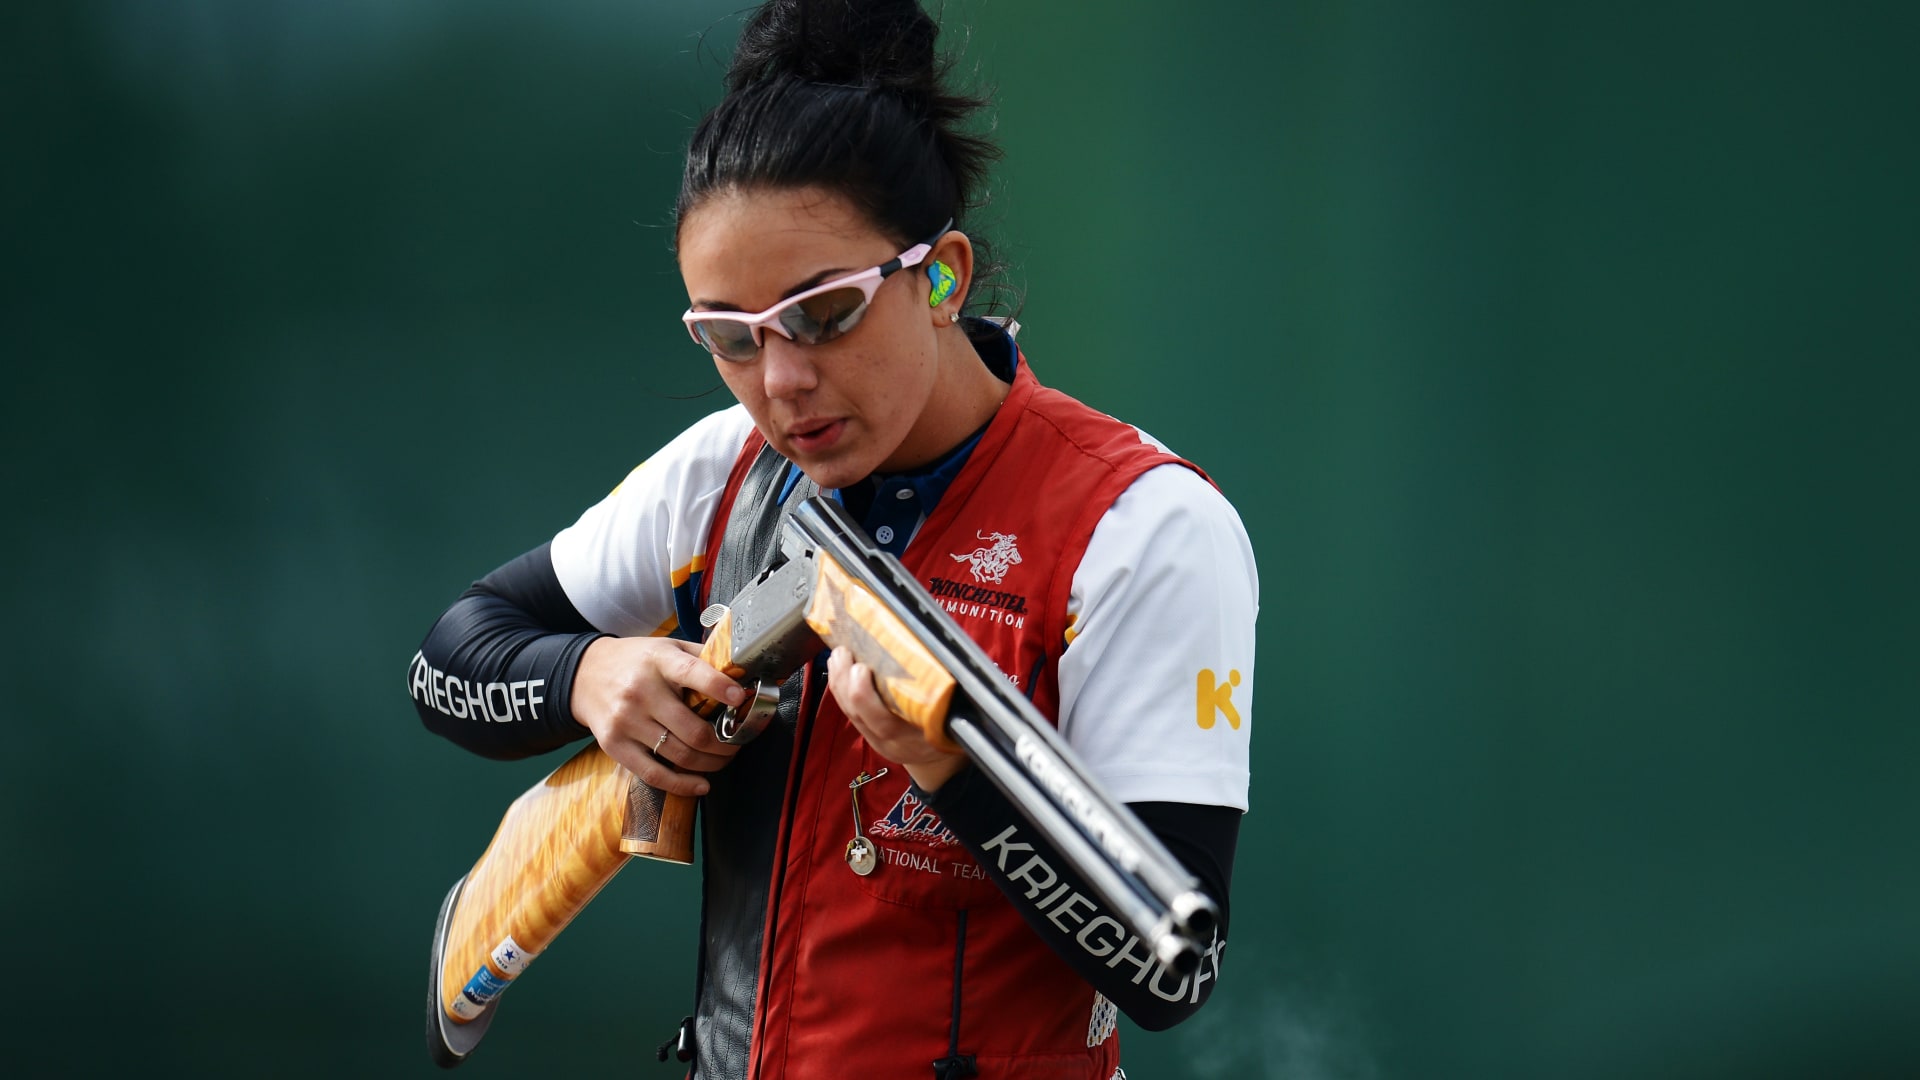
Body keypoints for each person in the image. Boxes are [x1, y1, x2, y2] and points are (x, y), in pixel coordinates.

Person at [409, 1, 1258, 1076]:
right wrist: (589, 678)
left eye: (822, 315)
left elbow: (1172, 971)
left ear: (942, 276)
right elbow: (450, 657)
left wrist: (953, 768)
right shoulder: (721, 473)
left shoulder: (1142, 524)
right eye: (730, 336)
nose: (781, 381)